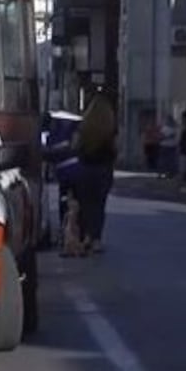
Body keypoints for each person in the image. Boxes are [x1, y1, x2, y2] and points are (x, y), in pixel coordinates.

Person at [71, 93, 118, 254]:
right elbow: (115, 149)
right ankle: (96, 239)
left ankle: (87, 237)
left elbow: (75, 146)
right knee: (99, 205)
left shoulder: (85, 126)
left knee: (85, 204)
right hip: (104, 169)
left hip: (85, 168)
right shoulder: (110, 127)